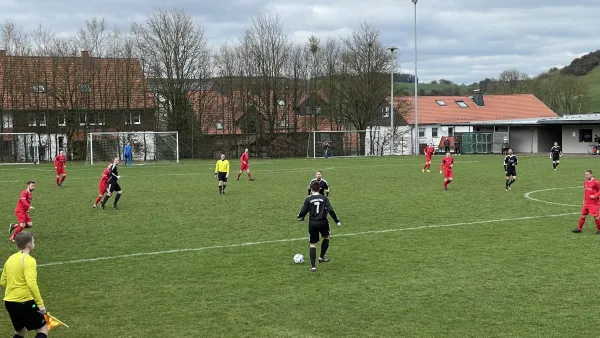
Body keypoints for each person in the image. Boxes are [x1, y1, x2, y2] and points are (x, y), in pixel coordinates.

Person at [1, 232, 49, 338]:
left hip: (9, 303)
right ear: (29, 245)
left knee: (20, 332)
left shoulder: (10, 259)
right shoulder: (29, 260)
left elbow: (3, 282)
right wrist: (40, 305)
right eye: (33, 242)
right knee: (43, 328)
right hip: (24, 302)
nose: (34, 244)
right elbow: (31, 284)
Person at [297, 181, 341, 272]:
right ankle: (321, 257)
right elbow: (331, 210)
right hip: (323, 222)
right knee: (326, 237)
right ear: (320, 189)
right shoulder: (324, 198)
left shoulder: (308, 199)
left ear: (311, 189)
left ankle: (313, 266)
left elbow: (303, 211)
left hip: (313, 223)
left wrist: (300, 216)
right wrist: (337, 221)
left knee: (313, 244)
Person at [572, 170, 600, 234]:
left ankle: (599, 230)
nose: (586, 176)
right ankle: (579, 229)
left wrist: (594, 195)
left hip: (594, 203)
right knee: (583, 215)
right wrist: (584, 199)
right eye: (585, 175)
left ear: (591, 175)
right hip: (587, 203)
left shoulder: (596, 182)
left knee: (596, 216)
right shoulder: (585, 182)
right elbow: (585, 191)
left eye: (587, 175)